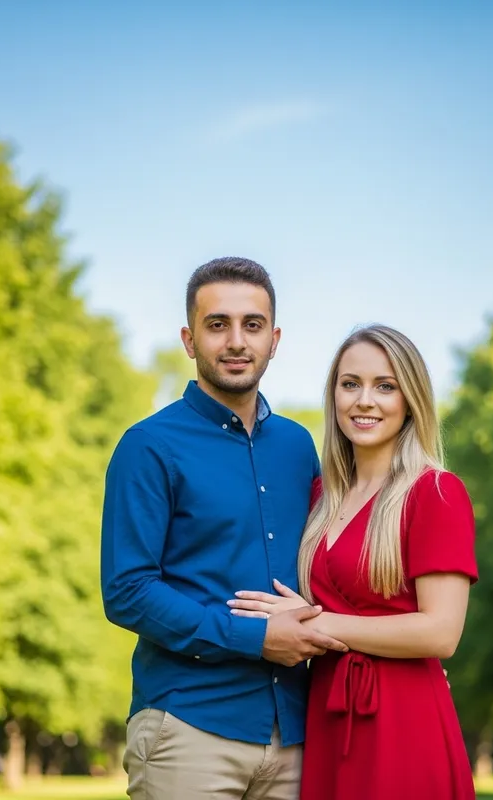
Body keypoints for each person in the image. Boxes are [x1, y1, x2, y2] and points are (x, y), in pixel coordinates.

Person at [100, 257, 348, 800]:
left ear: (274, 340)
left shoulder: (299, 446)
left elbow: (329, 566)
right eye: (218, 325)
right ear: (189, 340)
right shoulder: (148, 446)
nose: (236, 341)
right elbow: (127, 591)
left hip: (297, 734)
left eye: (252, 325)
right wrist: (256, 639)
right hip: (190, 729)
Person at [229, 323, 479, 799]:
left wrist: (314, 624)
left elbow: (441, 633)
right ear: (334, 396)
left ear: (411, 399)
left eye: (385, 386)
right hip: (326, 713)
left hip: (404, 719)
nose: (365, 401)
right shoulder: (321, 496)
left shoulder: (436, 493)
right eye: (351, 384)